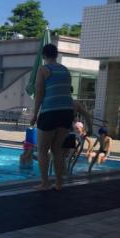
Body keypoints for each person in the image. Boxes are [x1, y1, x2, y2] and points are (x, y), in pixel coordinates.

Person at [29, 43, 75, 191]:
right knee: (57, 150)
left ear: (44, 56)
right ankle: (59, 183)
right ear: (56, 55)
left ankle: (45, 183)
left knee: (42, 150)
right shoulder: (65, 70)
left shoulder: (43, 70)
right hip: (66, 112)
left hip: (50, 112)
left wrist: (34, 114)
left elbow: (39, 95)